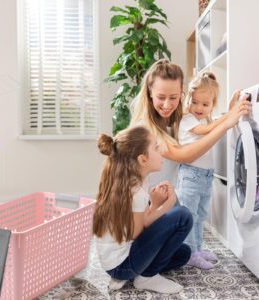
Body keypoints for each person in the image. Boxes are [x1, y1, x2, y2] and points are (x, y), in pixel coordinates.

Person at [93, 125, 193, 294]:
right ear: (143, 159)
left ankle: (131, 276)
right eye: (155, 147)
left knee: (183, 253)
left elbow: (135, 227)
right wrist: (166, 204)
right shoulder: (135, 191)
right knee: (183, 216)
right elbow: (137, 233)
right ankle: (147, 277)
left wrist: (154, 204)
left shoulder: (135, 181)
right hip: (121, 265)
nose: (160, 149)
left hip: (121, 260)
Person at [131, 59, 251, 188]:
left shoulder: (179, 118)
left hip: (170, 199)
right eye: (161, 97)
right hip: (149, 203)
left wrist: (229, 112)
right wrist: (227, 121)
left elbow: (204, 123)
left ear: (181, 94)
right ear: (150, 93)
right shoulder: (144, 129)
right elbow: (184, 155)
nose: (167, 105)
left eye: (173, 97)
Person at [176, 71, 227, 269]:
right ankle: (189, 254)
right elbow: (206, 132)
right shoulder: (188, 119)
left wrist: (226, 114)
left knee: (201, 215)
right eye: (194, 101)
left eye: (205, 104)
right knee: (190, 216)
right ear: (188, 97)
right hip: (190, 174)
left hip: (205, 177)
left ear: (213, 105)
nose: (199, 107)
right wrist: (228, 117)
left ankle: (197, 249)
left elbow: (211, 126)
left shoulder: (206, 119)